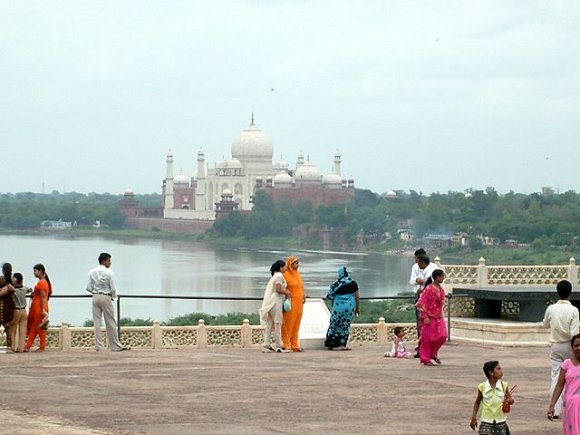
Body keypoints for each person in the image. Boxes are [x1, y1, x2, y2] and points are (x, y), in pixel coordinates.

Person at [542, 279, 579, 419]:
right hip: (570, 346)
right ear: (570, 293)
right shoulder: (573, 310)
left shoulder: (551, 308)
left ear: (557, 292)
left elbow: (545, 324)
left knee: (556, 377)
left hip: (556, 345)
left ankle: (555, 409)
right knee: (573, 376)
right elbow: (574, 333)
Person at [86, 253, 128, 352]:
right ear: (104, 261)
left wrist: (95, 291)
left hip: (95, 297)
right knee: (110, 321)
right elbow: (113, 288)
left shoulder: (91, 272)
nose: (110, 262)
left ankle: (99, 346)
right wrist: (113, 296)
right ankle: (115, 346)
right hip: (106, 296)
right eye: (109, 260)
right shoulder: (109, 272)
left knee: (97, 322)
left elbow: (88, 287)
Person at [547, 333, 580, 434]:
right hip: (570, 405)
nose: (578, 348)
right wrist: (552, 405)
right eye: (576, 345)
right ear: (571, 347)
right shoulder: (566, 364)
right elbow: (559, 385)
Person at [470, 360, 515, 434]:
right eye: (498, 369)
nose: (501, 371)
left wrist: (510, 401)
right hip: (486, 422)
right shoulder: (482, 387)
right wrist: (473, 417)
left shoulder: (504, 385)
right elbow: (477, 402)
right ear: (491, 372)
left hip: (500, 422)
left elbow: (511, 400)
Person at [324, 266, 360, 351]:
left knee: (334, 325)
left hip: (338, 309)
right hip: (349, 308)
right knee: (345, 325)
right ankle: (342, 345)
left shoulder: (336, 284)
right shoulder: (353, 283)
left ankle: (330, 344)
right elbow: (357, 296)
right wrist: (358, 308)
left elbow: (329, 296)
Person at [416, 268, 447, 366]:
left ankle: (433, 353)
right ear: (437, 277)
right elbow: (421, 303)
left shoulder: (441, 289)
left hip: (438, 316)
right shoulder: (429, 288)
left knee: (442, 336)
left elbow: (441, 301)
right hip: (428, 316)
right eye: (442, 276)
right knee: (427, 338)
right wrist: (425, 316)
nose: (443, 278)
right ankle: (425, 358)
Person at [259, 260, 292, 353]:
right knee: (277, 323)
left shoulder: (275, 276)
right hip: (276, 301)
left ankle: (266, 344)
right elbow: (278, 289)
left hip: (271, 302)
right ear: (280, 267)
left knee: (270, 323)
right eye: (284, 266)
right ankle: (279, 345)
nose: (286, 268)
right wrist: (287, 292)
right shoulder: (279, 276)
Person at [24, 264, 52, 352]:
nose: (34, 273)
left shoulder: (42, 283)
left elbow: (43, 297)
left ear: (40, 271)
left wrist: (43, 309)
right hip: (38, 306)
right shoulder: (44, 282)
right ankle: (27, 346)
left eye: (35, 271)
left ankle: (42, 346)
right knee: (34, 326)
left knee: (39, 327)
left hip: (39, 307)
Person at [282, 256, 306, 352]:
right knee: (288, 323)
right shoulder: (285, 275)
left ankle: (294, 344)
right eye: (296, 263)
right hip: (290, 303)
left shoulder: (298, 274)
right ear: (290, 264)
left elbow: (301, 286)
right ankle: (286, 344)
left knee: (296, 323)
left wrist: (303, 296)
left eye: (298, 263)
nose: (297, 265)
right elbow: (283, 288)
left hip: (299, 303)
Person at [10, 272, 31, 352]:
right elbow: (30, 290)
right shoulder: (24, 288)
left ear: (15, 279)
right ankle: (21, 347)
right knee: (23, 330)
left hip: (16, 310)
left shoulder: (13, 290)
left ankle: (13, 347)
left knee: (13, 329)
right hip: (24, 310)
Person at [0, 262, 16, 348]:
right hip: (9, 307)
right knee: (9, 330)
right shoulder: (13, 281)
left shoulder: (1, 279)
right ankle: (10, 347)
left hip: (1, 306)